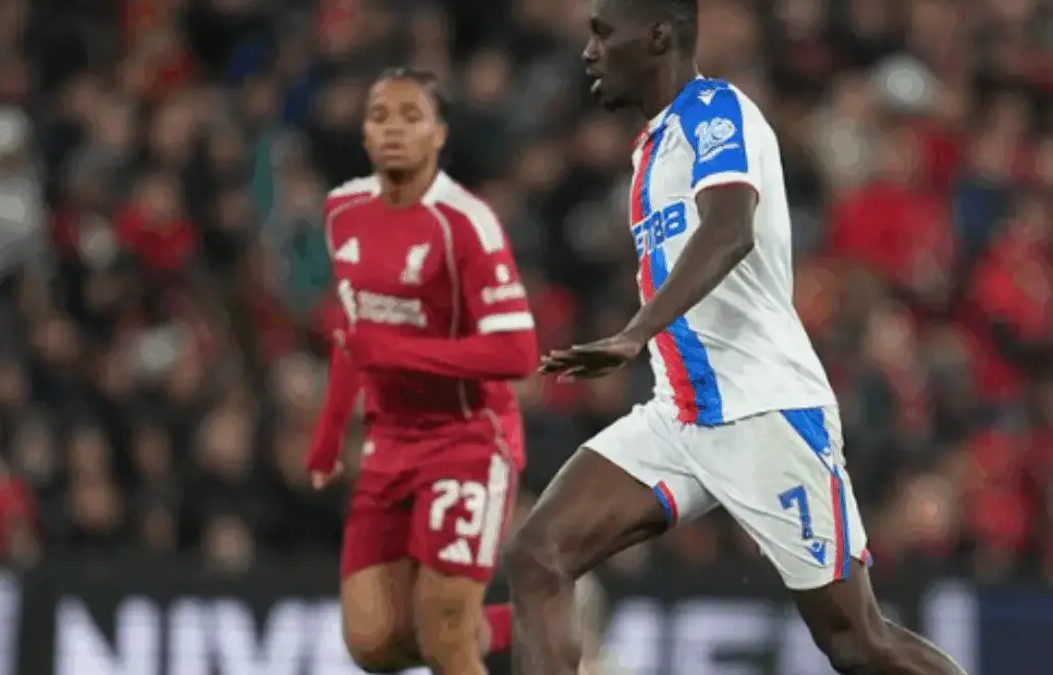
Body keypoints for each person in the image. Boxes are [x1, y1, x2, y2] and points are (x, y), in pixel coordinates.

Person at [506, 2, 969, 675]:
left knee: (857, 641)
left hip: (762, 409)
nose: (590, 52)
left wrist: (637, 331)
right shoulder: (650, 150)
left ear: (659, 34)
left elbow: (730, 227)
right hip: (682, 413)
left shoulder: (716, 113)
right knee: (538, 553)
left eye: (605, 34)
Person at [304, 67, 537, 675]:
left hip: (466, 439)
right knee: (373, 642)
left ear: (438, 135)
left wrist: (400, 356)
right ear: (363, 133)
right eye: (381, 117)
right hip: (388, 446)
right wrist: (329, 435)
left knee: (447, 639)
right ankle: (538, 619)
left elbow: (517, 352)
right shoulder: (342, 211)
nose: (393, 131)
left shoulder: (464, 222)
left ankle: (539, 634)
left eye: (411, 117)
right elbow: (354, 338)